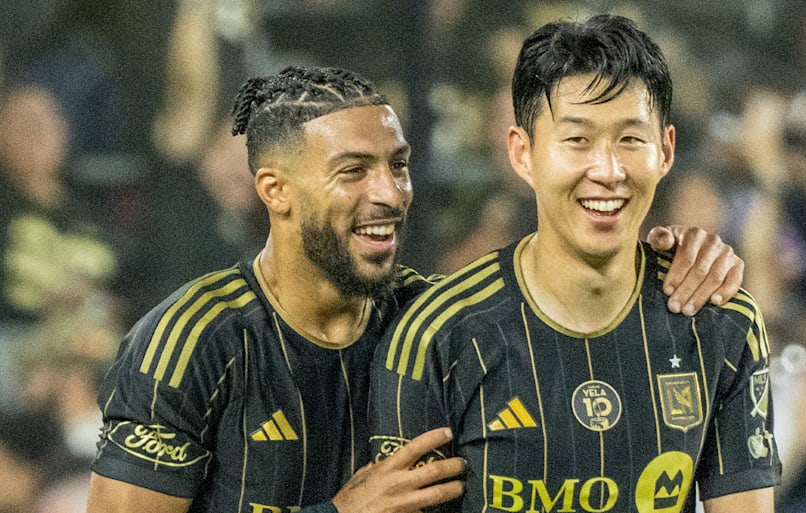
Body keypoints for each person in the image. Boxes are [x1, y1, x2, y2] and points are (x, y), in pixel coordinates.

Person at [86, 66, 747, 513]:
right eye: (354, 170)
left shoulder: (438, 324)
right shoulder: (188, 344)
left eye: (397, 166)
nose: (389, 193)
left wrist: (673, 263)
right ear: (276, 192)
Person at [370, 14, 780, 513]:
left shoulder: (722, 323)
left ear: (666, 151)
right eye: (577, 140)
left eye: (630, 139)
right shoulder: (436, 337)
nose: (607, 171)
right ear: (523, 154)